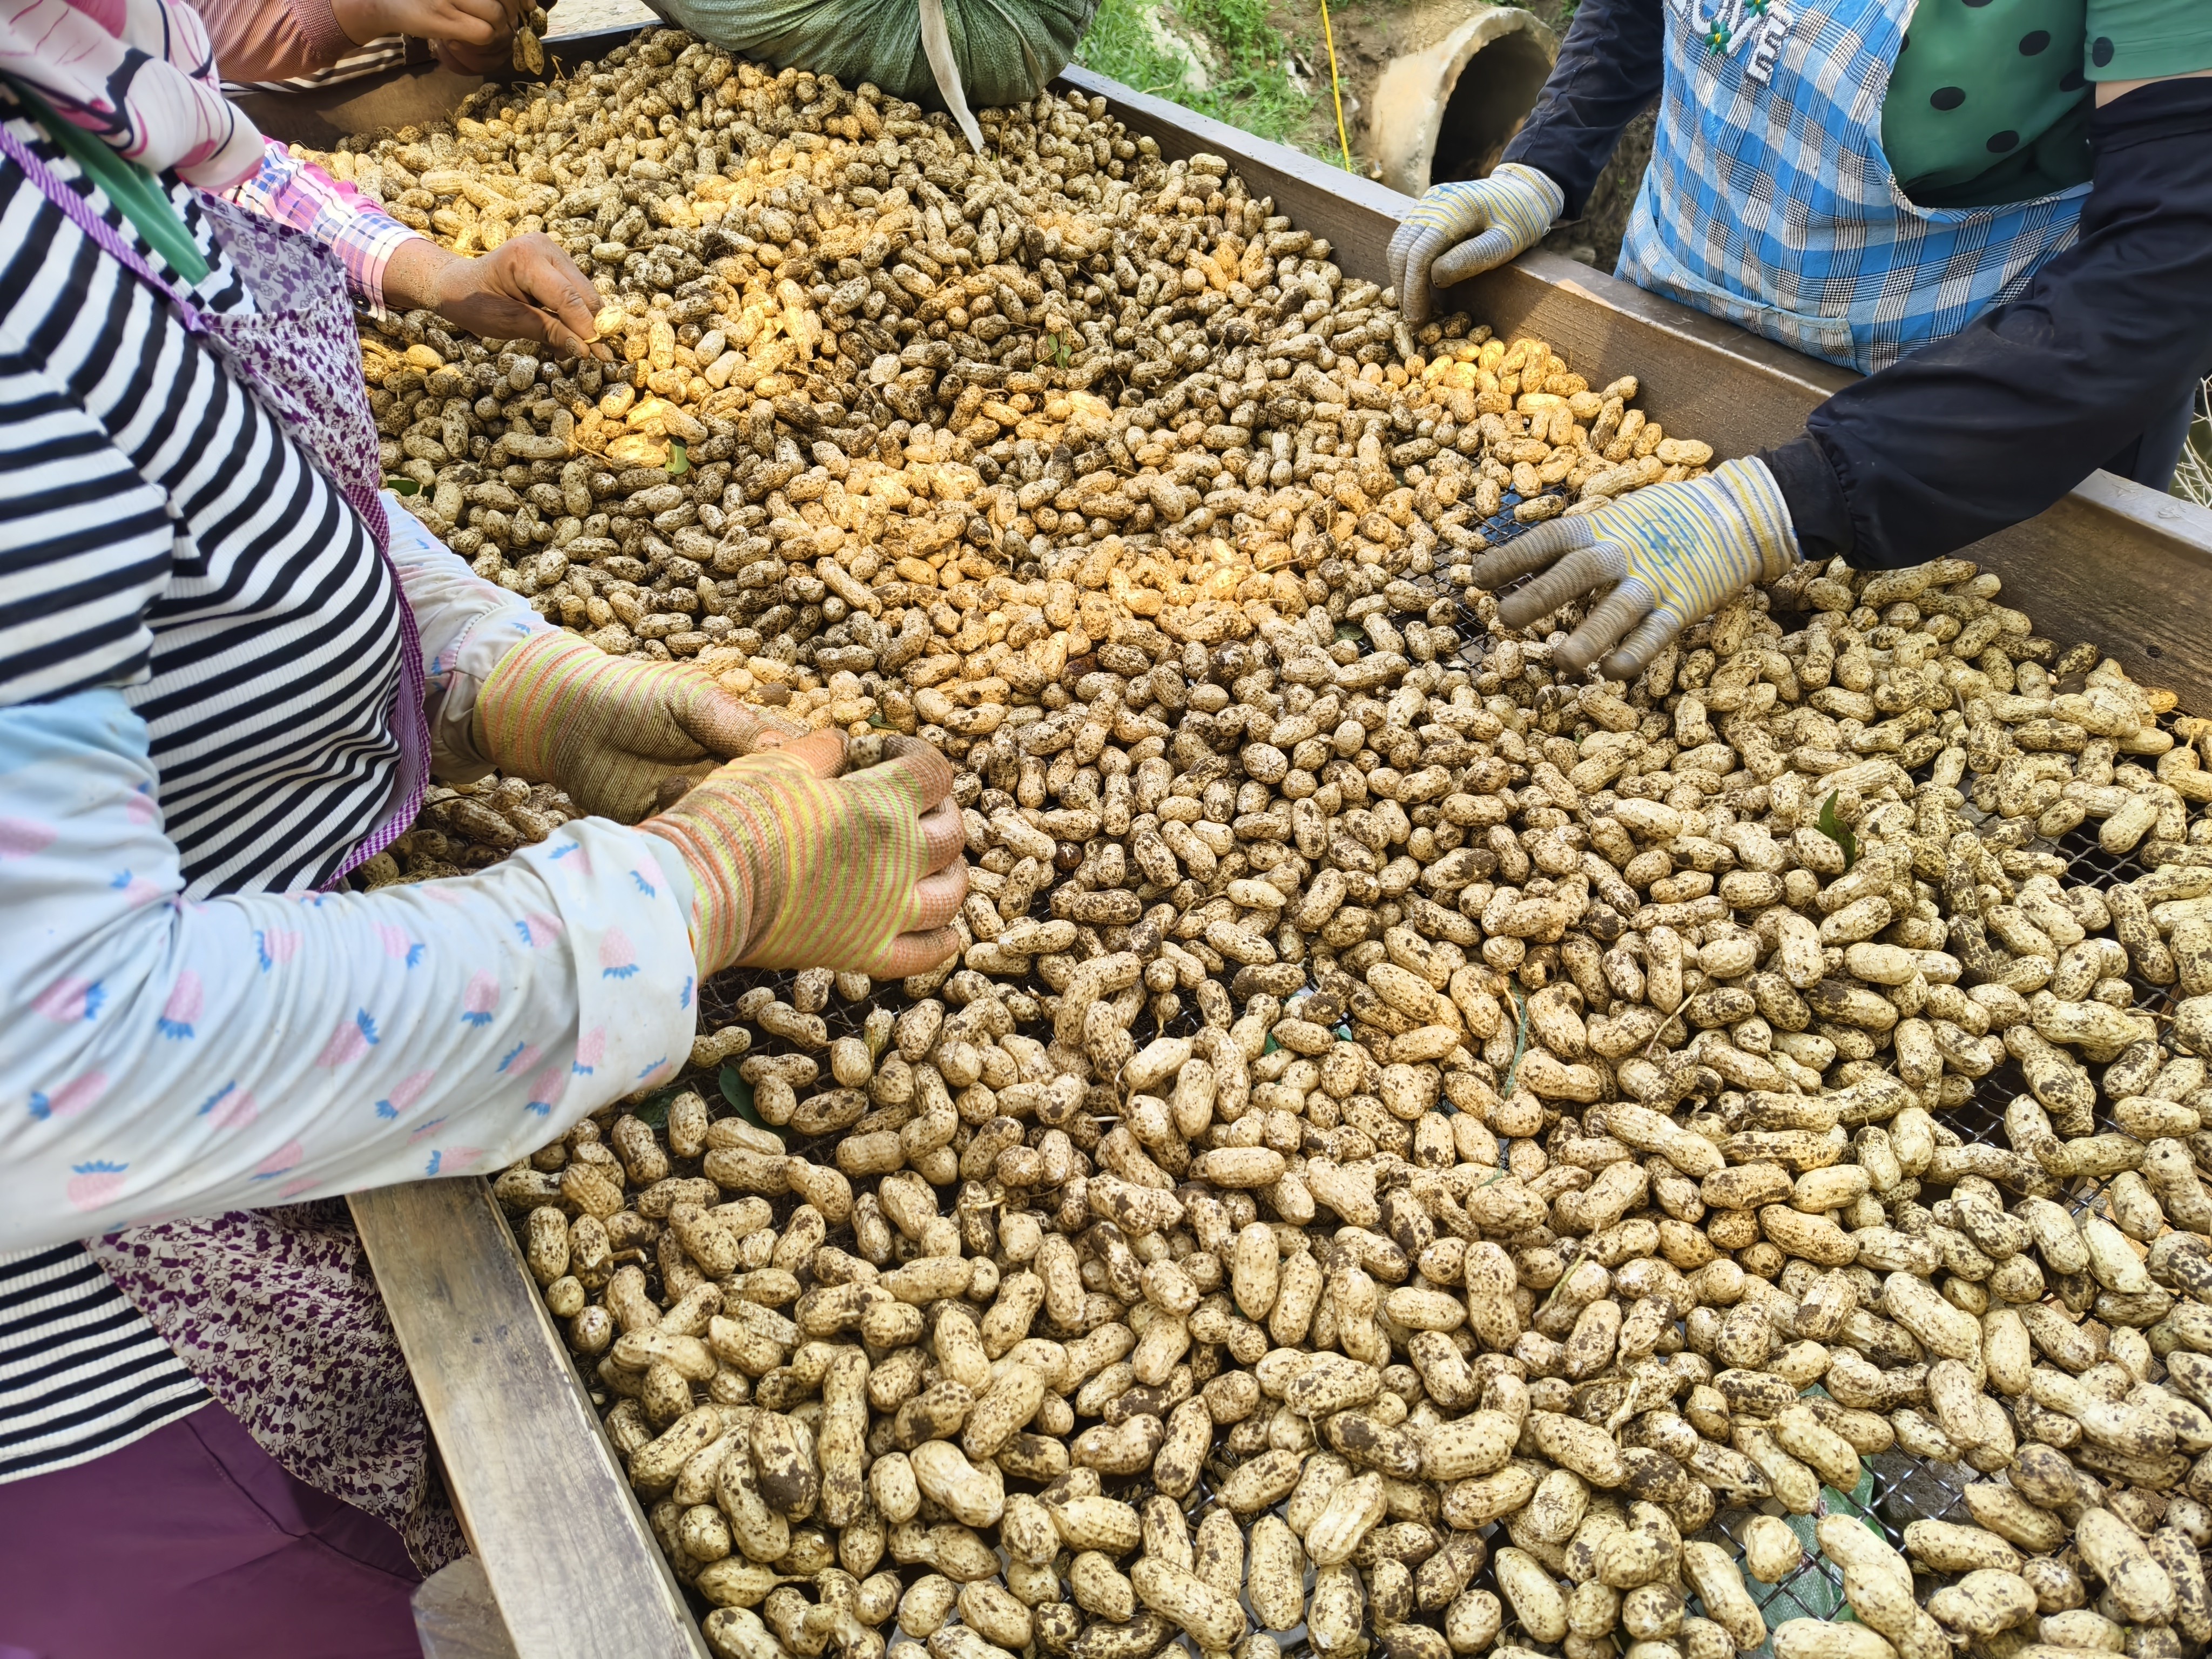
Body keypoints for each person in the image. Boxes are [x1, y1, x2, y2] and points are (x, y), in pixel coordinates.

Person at [0, 2, 967, 1654]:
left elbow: (210, 469)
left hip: (258, 1179)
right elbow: (52, 1050)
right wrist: (682, 899)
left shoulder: (82, 64)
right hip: (90, 1382)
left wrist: (495, 673)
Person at [1386, 0, 2212, 677]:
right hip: (1669, 338)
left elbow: (2174, 266)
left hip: (1966, 440)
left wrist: (1781, 504)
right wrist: (1543, 164)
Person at [200, 0, 525, 95]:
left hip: (419, 91)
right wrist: (369, 8)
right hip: (265, 119)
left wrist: (456, 36)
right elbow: (191, 32)